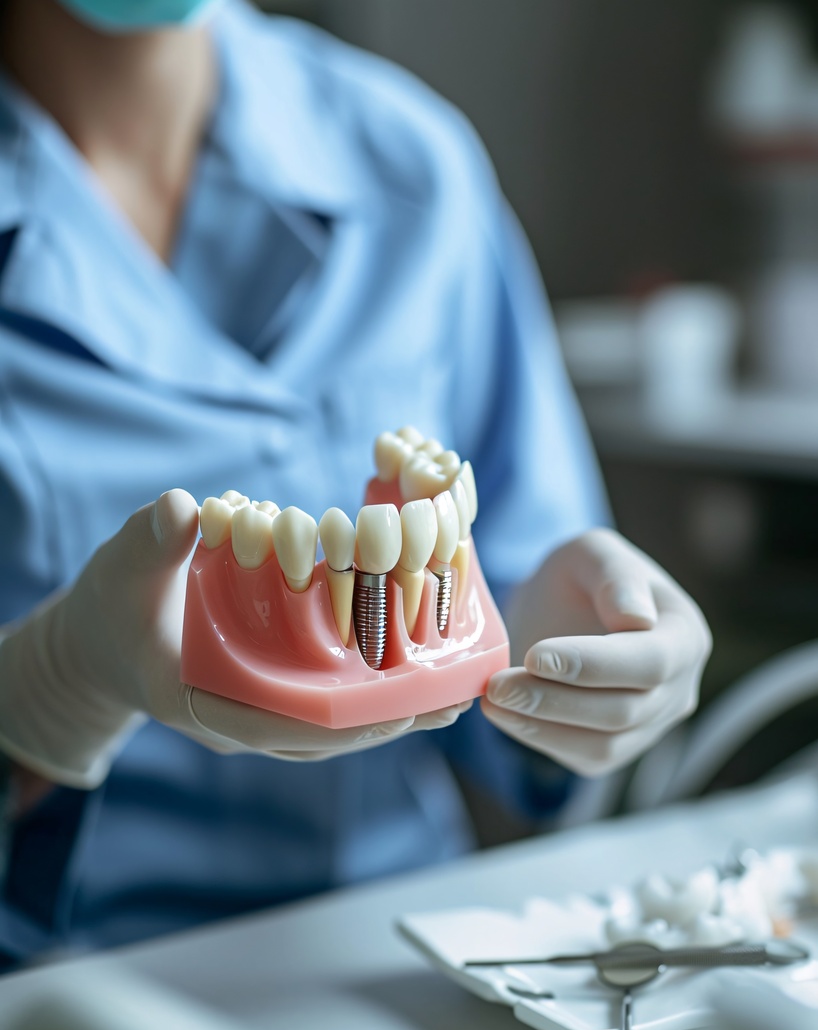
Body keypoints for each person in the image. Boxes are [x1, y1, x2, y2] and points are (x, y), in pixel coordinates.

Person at [0, 0, 711, 965]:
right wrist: (49, 692)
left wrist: (549, 655)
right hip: (63, 1003)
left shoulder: (414, 165)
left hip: (405, 967)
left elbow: (517, 633)